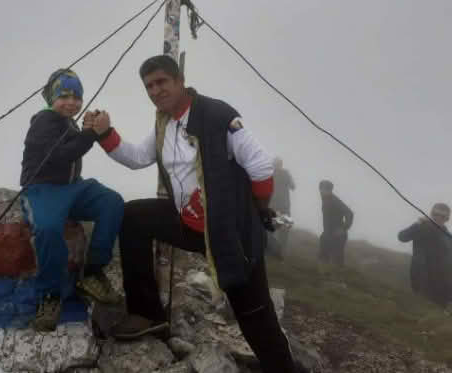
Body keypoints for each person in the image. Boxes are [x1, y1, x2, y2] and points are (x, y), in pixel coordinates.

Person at [85, 55, 300, 373]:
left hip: (229, 231)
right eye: (149, 86)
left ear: (180, 80)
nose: (156, 91)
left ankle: (282, 368)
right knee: (132, 217)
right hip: (187, 222)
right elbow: (137, 157)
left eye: (162, 82)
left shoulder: (217, 115)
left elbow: (261, 168)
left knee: (253, 313)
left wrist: (256, 211)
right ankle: (147, 314)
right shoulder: (164, 122)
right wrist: (105, 134)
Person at [19, 68, 124, 332]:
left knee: (111, 202)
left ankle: (92, 272)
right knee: (48, 229)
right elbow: (60, 155)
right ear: (51, 99)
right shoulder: (44, 120)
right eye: (63, 96)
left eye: (77, 97)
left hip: (73, 187)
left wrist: (88, 129)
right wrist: (91, 133)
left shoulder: (67, 122)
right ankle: (50, 295)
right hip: (43, 188)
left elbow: (74, 145)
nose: (71, 102)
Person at [397, 203, 452, 307]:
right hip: (421, 277)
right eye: (436, 214)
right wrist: (417, 223)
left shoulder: (449, 237)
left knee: (437, 313)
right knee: (420, 308)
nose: (438, 218)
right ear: (431, 214)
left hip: (441, 283)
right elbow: (402, 237)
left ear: (447, 219)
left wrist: (450, 286)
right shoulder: (421, 227)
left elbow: (450, 262)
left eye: (443, 216)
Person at [318, 180, 353, 266]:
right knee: (323, 256)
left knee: (337, 261)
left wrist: (344, 228)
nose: (321, 191)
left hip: (338, 235)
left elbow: (349, 213)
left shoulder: (334, 201)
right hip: (328, 233)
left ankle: (336, 272)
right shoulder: (325, 199)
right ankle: (324, 271)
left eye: (324, 189)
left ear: (330, 190)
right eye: (321, 189)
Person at [268, 157, 296, 258]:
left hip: (274, 204)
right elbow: (293, 186)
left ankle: (275, 250)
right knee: (283, 228)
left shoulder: (270, 173)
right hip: (283, 205)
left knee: (272, 227)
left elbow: (292, 186)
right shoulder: (285, 173)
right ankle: (281, 250)